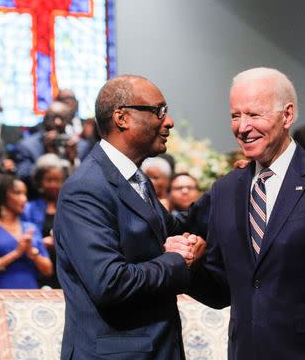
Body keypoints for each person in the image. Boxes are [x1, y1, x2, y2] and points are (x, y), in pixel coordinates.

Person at [190, 67, 305, 360]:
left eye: (254, 114)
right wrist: (189, 266)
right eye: (235, 115)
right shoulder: (225, 191)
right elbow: (221, 288)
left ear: (287, 115)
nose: (242, 127)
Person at [54, 75, 205, 360]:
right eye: (158, 111)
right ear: (122, 118)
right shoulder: (86, 188)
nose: (168, 121)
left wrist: (238, 185)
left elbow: (175, 229)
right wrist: (177, 260)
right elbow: (110, 282)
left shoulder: (136, 178)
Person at [0, 175, 52, 288]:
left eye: (25, 194)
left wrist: (32, 253)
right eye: (18, 193)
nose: (24, 199)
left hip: (30, 296)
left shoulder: (31, 228)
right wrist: (16, 253)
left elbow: (48, 270)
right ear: (2, 196)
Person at [15, 101, 90, 192]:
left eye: (62, 118)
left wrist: (73, 162)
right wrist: (47, 158)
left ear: (68, 120)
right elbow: (22, 177)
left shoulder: (81, 146)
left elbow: (88, 180)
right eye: (52, 117)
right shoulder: (27, 146)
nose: (57, 122)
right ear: (44, 119)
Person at [22, 153, 68, 288]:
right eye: (49, 180)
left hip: (64, 265)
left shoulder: (69, 206)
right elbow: (23, 235)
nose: (54, 184)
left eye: (58, 180)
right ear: (40, 181)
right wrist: (41, 243)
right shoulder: (29, 208)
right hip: (38, 263)